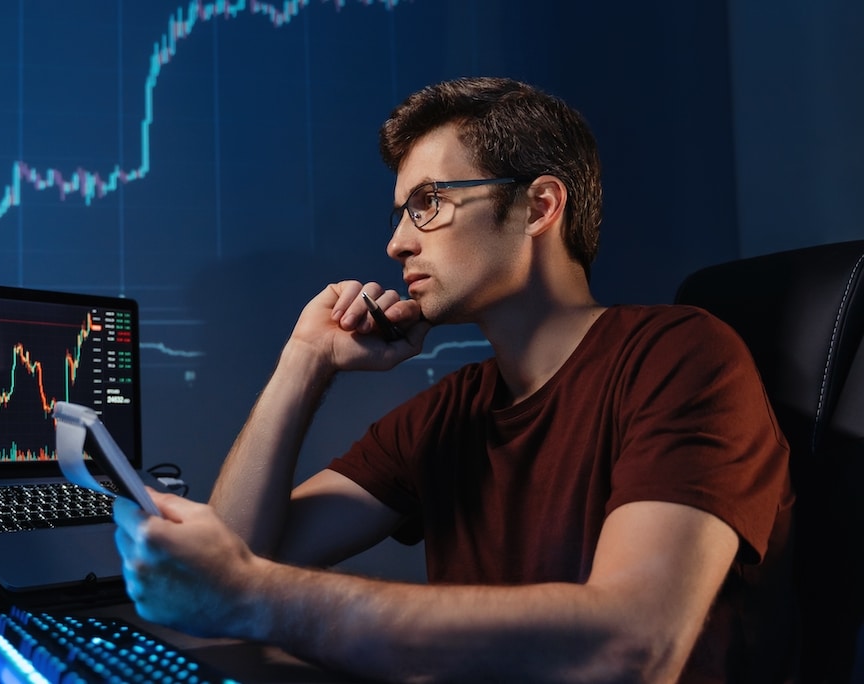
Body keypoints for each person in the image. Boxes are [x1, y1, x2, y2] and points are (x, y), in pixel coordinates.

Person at [112, 77, 794, 683]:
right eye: (401, 212)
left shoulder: (678, 357)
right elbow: (233, 563)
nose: (397, 243)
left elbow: (632, 648)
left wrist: (253, 596)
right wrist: (305, 362)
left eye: (429, 203)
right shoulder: (449, 412)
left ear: (539, 207)